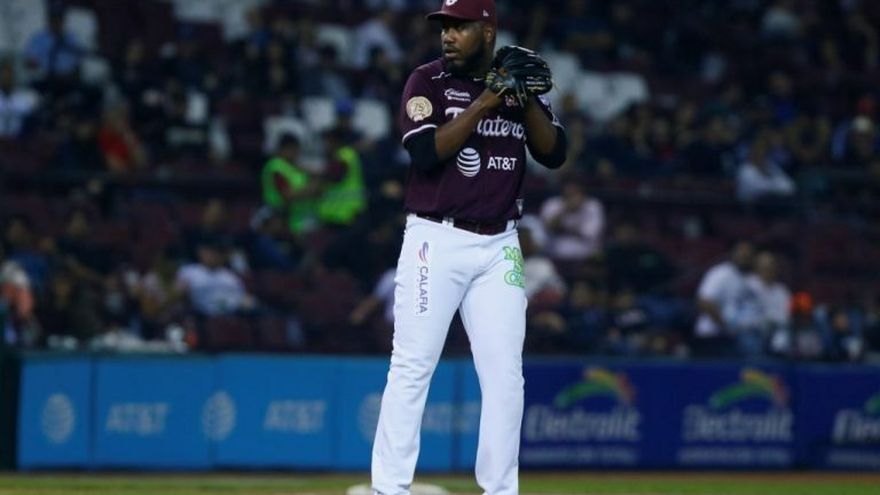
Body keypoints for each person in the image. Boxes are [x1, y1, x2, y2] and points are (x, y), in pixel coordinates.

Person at [370, 1, 566, 494]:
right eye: (445, 27)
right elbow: (424, 153)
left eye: (460, 26)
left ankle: (500, 490)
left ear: (487, 30)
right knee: (412, 366)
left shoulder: (513, 83)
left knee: (505, 376)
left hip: (500, 244)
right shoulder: (428, 82)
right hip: (436, 239)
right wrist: (485, 102)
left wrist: (524, 99)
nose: (448, 35)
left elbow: (554, 153)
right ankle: (389, 488)